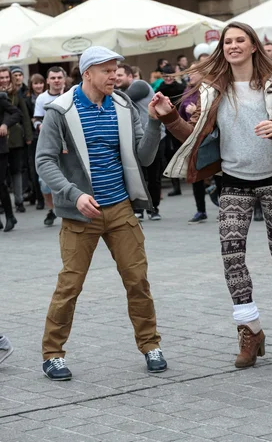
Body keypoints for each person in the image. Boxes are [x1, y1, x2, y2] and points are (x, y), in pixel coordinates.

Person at [151, 22, 272, 367]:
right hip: (233, 182)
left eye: (240, 40)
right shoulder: (211, 89)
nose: (233, 46)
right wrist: (169, 118)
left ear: (253, 46)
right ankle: (249, 328)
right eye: (228, 41)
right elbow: (193, 137)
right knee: (232, 255)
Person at [36, 46, 167, 380]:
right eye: (107, 71)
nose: (115, 76)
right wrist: (73, 195)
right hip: (81, 214)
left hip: (121, 207)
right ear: (87, 74)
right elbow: (44, 161)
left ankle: (151, 345)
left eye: (116, 70)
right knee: (70, 286)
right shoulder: (60, 110)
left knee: (137, 280)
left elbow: (145, 157)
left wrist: (153, 122)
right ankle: (53, 354)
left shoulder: (123, 105)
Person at [125, 75, 166, 221]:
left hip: (155, 138)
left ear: (129, 76)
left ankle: (153, 209)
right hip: (136, 140)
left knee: (153, 177)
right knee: (137, 176)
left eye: (119, 75)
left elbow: (124, 98)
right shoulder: (119, 90)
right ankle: (138, 209)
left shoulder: (139, 85)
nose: (116, 78)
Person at [33, 66, 66, 226]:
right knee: (44, 183)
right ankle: (52, 209)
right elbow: (36, 120)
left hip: (69, 146)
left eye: (59, 77)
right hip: (49, 145)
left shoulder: (70, 95)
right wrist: (42, 127)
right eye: (53, 78)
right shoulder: (42, 99)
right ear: (48, 81)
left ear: (64, 79)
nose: (56, 81)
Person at [0, 66, 33, 213]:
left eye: (7, 77)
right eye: (1, 78)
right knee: (2, 175)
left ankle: (19, 200)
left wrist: (28, 135)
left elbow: (24, 116)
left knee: (16, 169)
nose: (5, 80)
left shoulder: (16, 93)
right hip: (1, 139)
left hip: (15, 137)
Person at [178, 64, 208, 224]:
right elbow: (181, 114)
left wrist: (197, 110)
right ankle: (201, 210)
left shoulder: (208, 90)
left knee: (216, 173)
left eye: (193, 72)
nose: (190, 75)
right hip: (192, 137)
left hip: (208, 136)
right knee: (195, 174)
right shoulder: (187, 90)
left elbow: (214, 112)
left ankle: (222, 203)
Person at [158, 65, 186, 197]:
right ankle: (176, 185)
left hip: (182, 123)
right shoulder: (160, 90)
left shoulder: (181, 88)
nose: (168, 78)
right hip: (167, 126)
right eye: (165, 76)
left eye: (170, 76)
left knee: (184, 150)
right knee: (171, 154)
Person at [0, 92, 22, 231]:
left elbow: (17, 113)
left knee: (0, 183)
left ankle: (10, 216)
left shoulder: (1, 99)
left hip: (0, 149)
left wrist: (5, 124)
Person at [25, 74, 45, 210]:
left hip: (48, 135)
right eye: (35, 83)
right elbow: (27, 119)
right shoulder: (27, 100)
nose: (38, 86)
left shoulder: (47, 97)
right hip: (35, 137)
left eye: (40, 83)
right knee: (35, 168)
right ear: (31, 85)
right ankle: (40, 198)